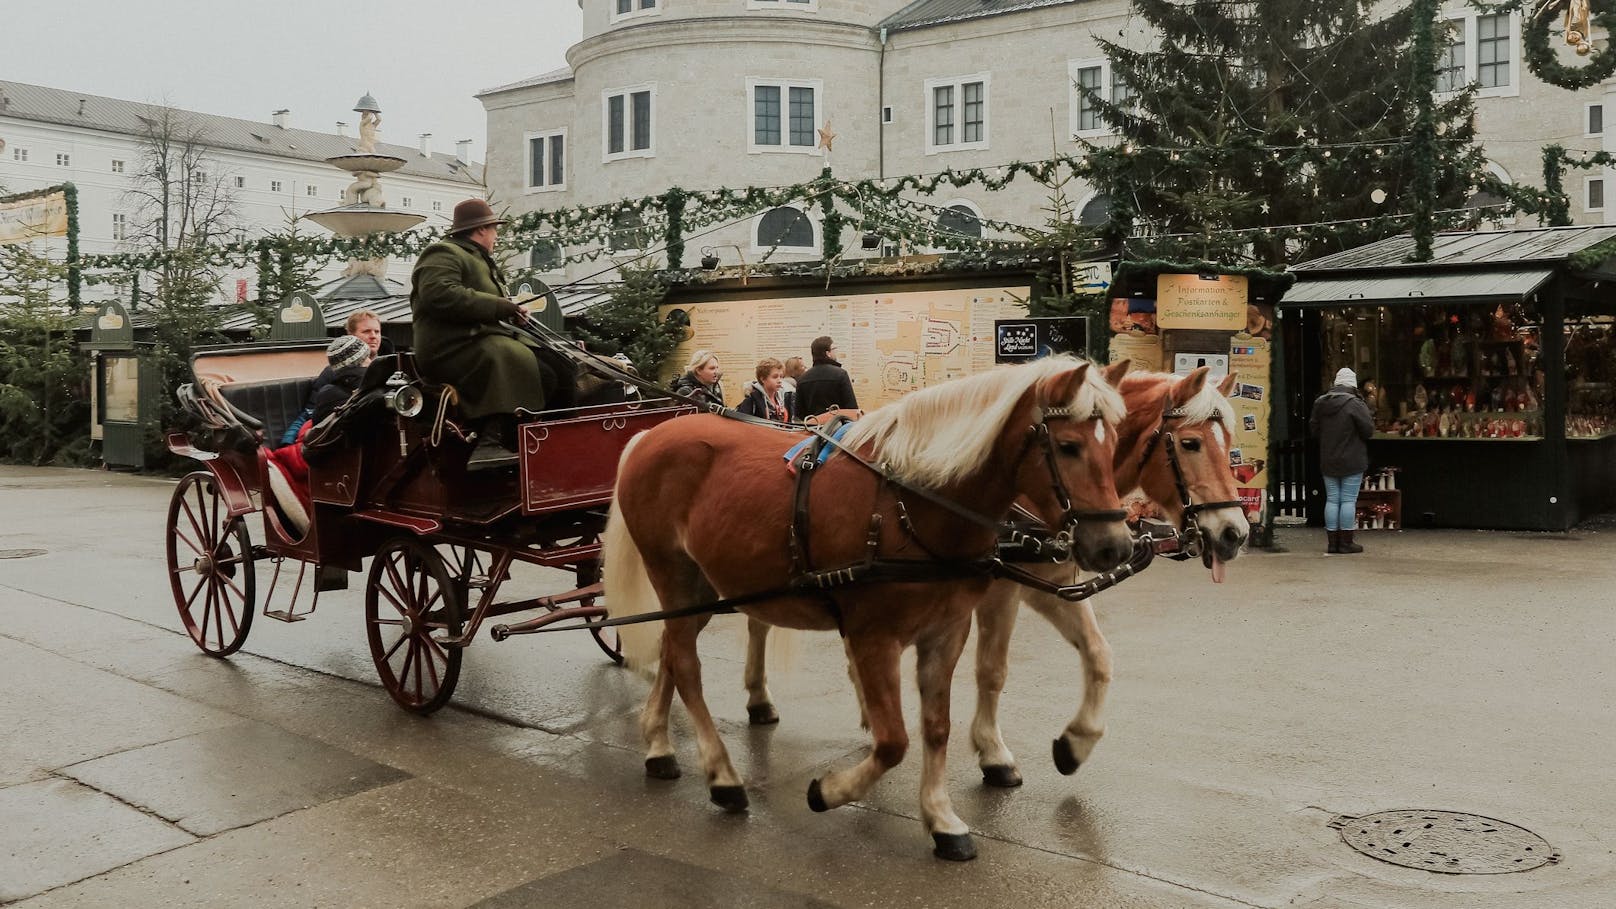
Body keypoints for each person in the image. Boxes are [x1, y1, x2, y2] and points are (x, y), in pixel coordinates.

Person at [410, 198, 574, 448]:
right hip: (452, 347)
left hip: (480, 339)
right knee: (536, 371)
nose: (497, 236)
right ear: (481, 229)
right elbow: (439, 294)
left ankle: (554, 442)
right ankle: (495, 438)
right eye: (495, 229)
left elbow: (480, 303)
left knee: (562, 367)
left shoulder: (477, 258)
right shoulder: (443, 252)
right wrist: (502, 306)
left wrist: (510, 312)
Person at [1310, 367, 1374, 554]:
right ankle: (1346, 542)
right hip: (1352, 460)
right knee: (1347, 500)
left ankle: (1332, 543)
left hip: (1328, 459)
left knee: (1332, 499)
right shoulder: (1356, 403)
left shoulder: (1320, 403)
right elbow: (1368, 431)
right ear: (1353, 385)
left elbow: (1314, 430)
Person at [794, 335, 858, 421]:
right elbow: (851, 409)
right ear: (828, 353)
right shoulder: (840, 374)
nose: (836, 352)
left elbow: (799, 414)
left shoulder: (803, 379)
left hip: (812, 429)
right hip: (837, 429)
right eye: (834, 349)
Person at [736, 357, 793, 423]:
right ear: (763, 379)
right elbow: (741, 425)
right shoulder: (752, 400)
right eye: (775, 377)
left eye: (781, 376)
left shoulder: (784, 397)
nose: (779, 380)